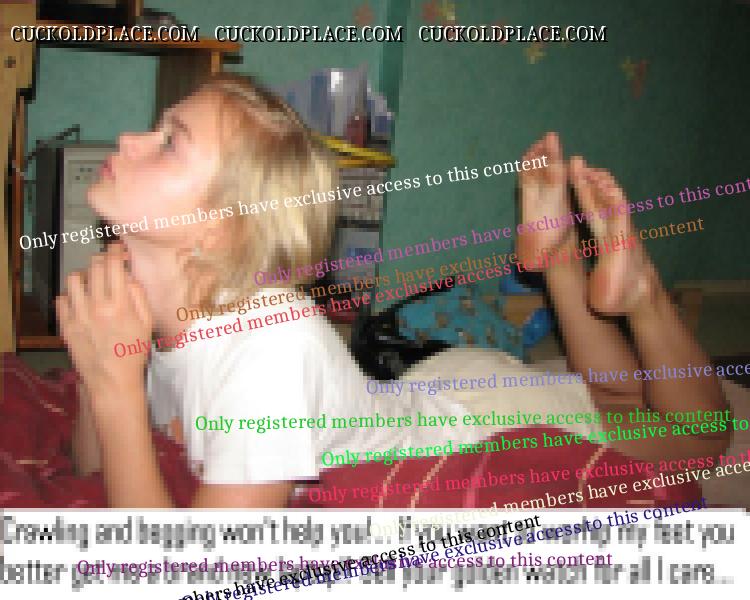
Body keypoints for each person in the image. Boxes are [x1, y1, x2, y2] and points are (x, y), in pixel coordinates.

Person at [55, 74, 728, 508]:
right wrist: (101, 375)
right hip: (435, 393)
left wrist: (116, 392)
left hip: (483, 427)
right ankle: (559, 261)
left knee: (698, 436)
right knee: (618, 401)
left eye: (169, 141)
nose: (130, 138)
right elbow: (94, 468)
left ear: (220, 227)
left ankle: (640, 292)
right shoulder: (169, 316)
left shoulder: (268, 346)